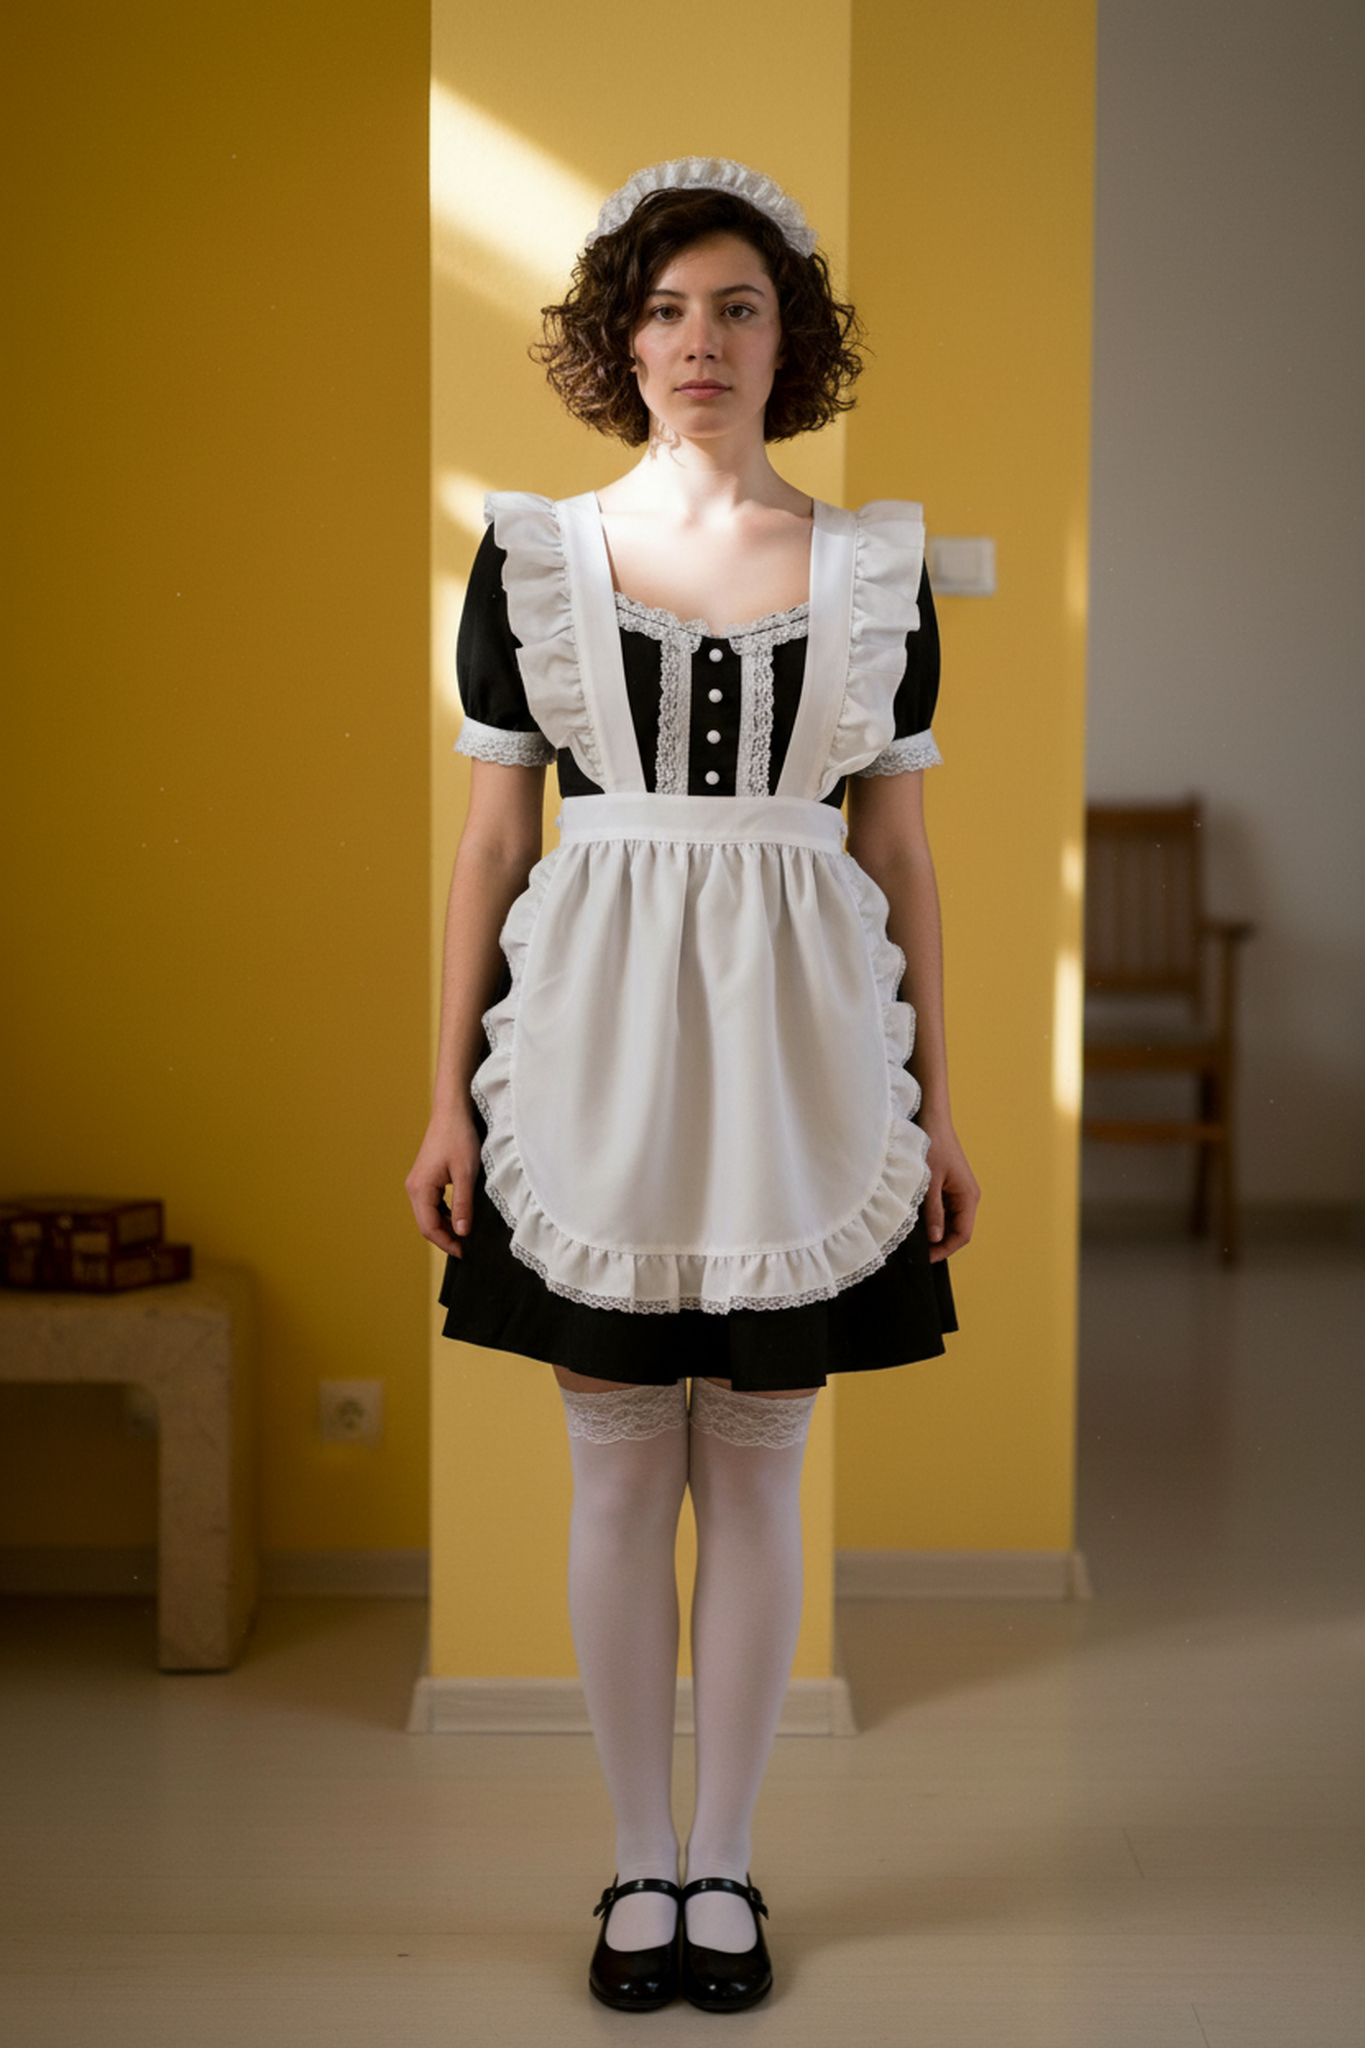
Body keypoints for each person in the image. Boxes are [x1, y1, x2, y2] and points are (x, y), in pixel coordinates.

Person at [406, 156, 980, 2014]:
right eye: (663, 309)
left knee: (756, 1470)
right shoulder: (536, 558)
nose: (699, 341)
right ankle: (636, 1863)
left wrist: (942, 1112)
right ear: (615, 339)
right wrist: (441, 1104)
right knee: (605, 1467)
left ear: (787, 336)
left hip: (806, 1055)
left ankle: (725, 1868)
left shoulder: (879, 564)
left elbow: (900, 863)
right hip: (591, 1048)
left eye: (736, 307)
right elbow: (493, 851)